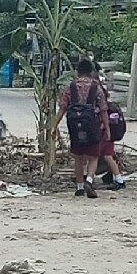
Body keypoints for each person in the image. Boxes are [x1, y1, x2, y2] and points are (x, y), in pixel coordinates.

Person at [53, 59, 110, 199]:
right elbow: (103, 109)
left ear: (77, 72)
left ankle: (79, 187)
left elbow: (62, 108)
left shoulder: (70, 87)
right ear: (91, 72)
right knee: (93, 156)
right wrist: (107, 128)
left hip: (74, 125)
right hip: (92, 124)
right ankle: (89, 180)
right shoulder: (96, 87)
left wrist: (54, 126)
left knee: (78, 156)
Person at [93, 62, 126, 191]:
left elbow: (102, 108)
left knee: (106, 154)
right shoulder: (99, 85)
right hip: (105, 125)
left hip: (103, 126)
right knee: (104, 154)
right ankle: (112, 176)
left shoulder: (95, 87)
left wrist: (104, 126)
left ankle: (119, 179)